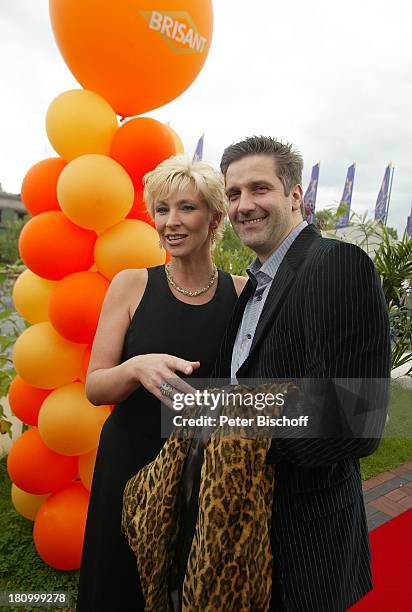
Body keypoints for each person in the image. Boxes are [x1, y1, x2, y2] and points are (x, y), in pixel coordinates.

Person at [208, 136, 391, 611]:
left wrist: (238, 432)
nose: (244, 205)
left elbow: (356, 419)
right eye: (233, 194)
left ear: (295, 196)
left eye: (259, 189)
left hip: (305, 538)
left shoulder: (336, 263)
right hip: (244, 534)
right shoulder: (251, 289)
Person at [75, 155, 247, 612]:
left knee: (191, 584)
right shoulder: (131, 285)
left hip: (203, 467)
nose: (170, 222)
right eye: (162, 209)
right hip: (129, 459)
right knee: (119, 585)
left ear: (214, 218)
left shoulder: (241, 292)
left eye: (186, 208)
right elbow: (95, 387)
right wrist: (136, 368)